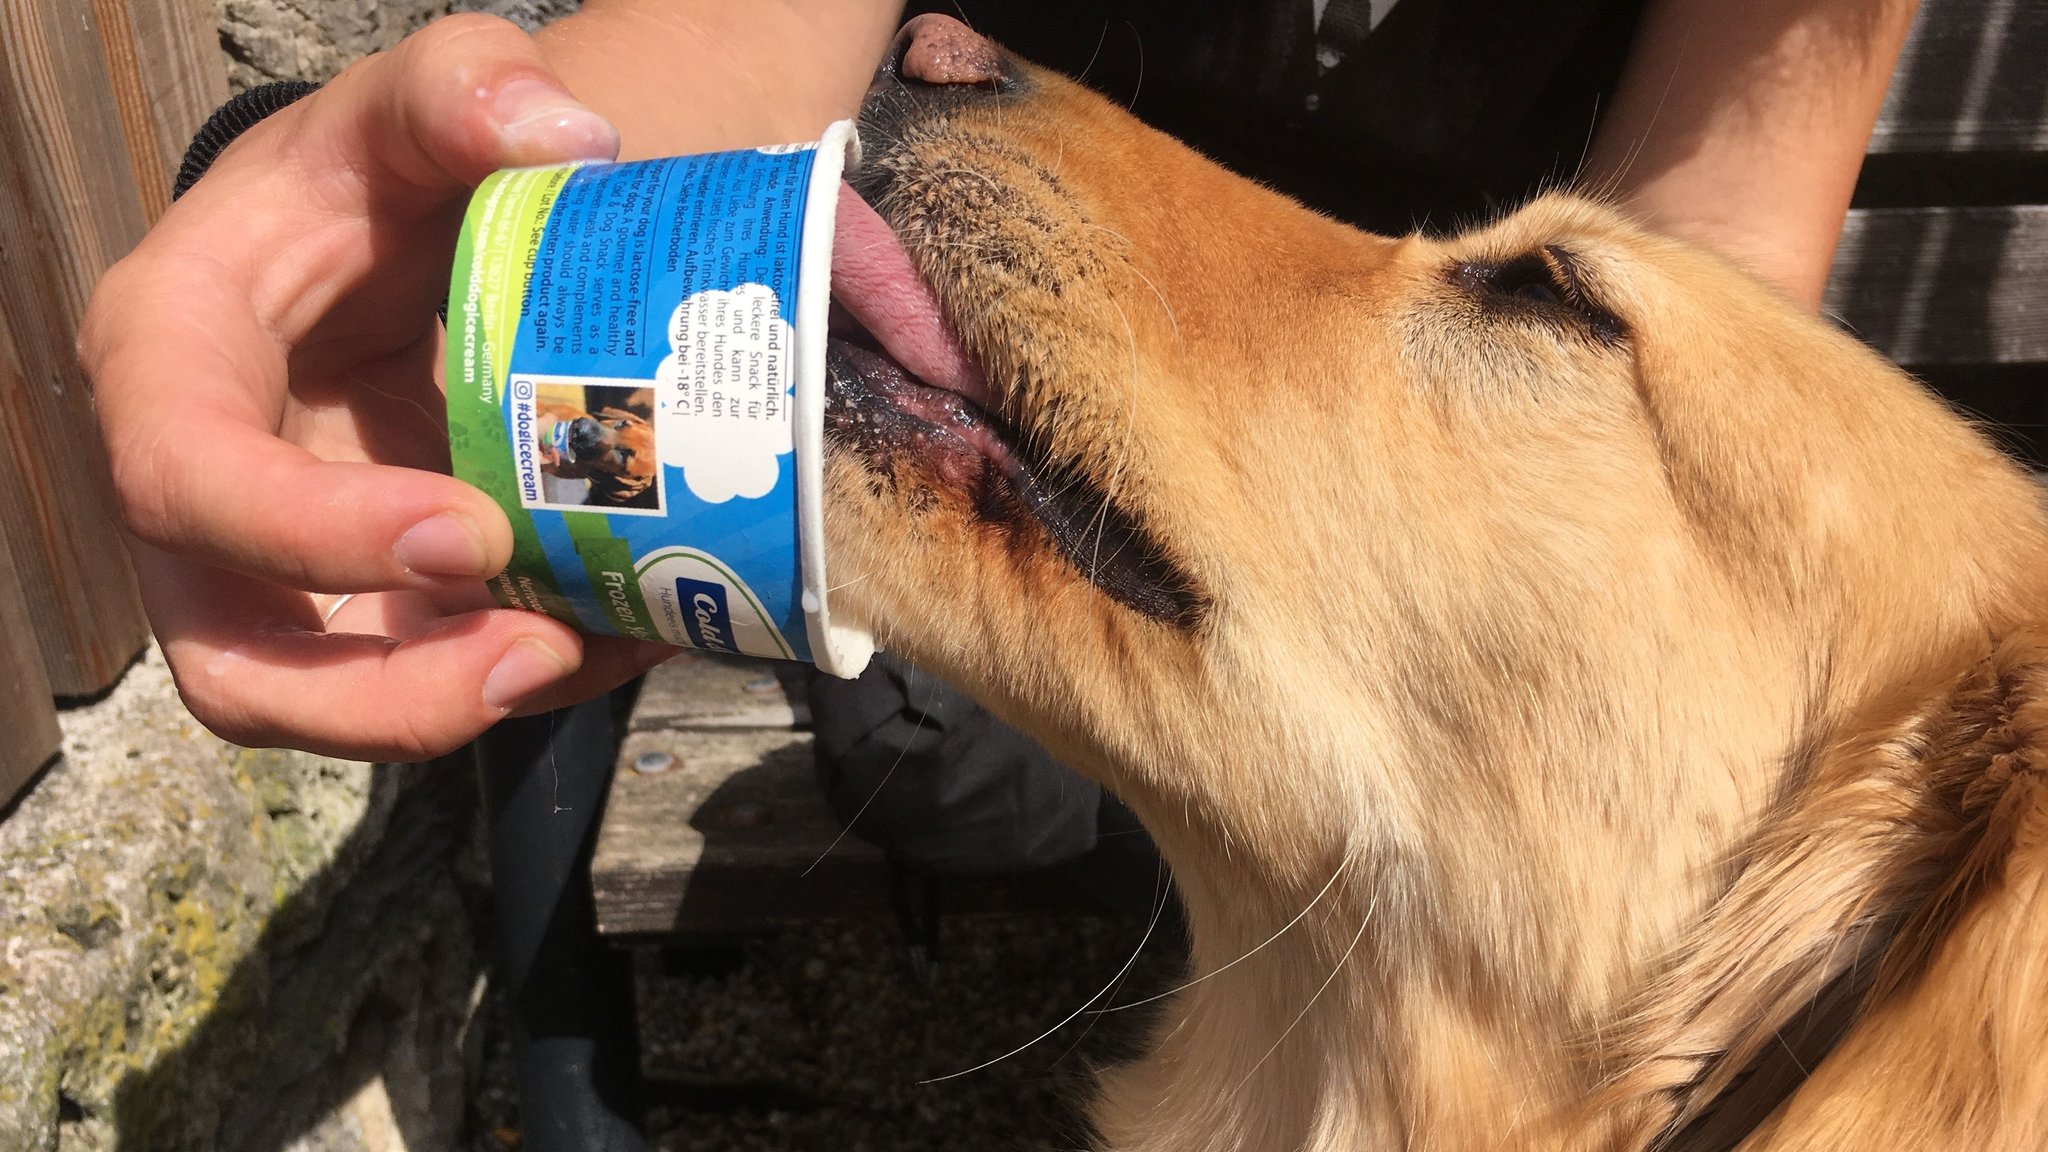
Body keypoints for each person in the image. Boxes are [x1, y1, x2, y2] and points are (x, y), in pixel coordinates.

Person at [83, 0, 1917, 760]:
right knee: (939, 758)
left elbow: (1713, 311)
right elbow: (773, 31)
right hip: (974, 465)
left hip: (1343, 606)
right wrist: (498, 281)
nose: (945, 44)